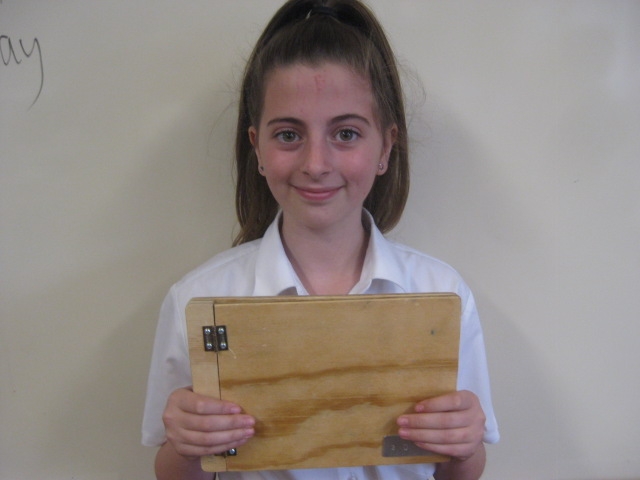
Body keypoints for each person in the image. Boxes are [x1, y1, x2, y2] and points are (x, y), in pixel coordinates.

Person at [141, 1, 499, 479]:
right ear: (257, 148)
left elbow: (461, 471)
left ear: (386, 147)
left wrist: (463, 447)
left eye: (346, 133)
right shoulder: (198, 299)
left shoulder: (441, 293)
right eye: (289, 135)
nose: (316, 164)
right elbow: (174, 471)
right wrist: (188, 447)